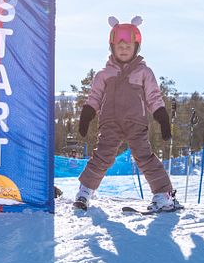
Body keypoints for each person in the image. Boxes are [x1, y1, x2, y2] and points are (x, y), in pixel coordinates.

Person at [74, 16, 179, 212]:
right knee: (102, 156)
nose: (124, 49)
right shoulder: (103, 74)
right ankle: (85, 191)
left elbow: (153, 97)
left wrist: (162, 117)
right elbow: (94, 97)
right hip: (110, 122)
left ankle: (163, 195)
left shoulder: (144, 72)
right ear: (112, 47)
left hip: (135, 122)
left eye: (128, 46)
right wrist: (87, 115)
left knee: (144, 156)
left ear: (136, 48)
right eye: (119, 46)